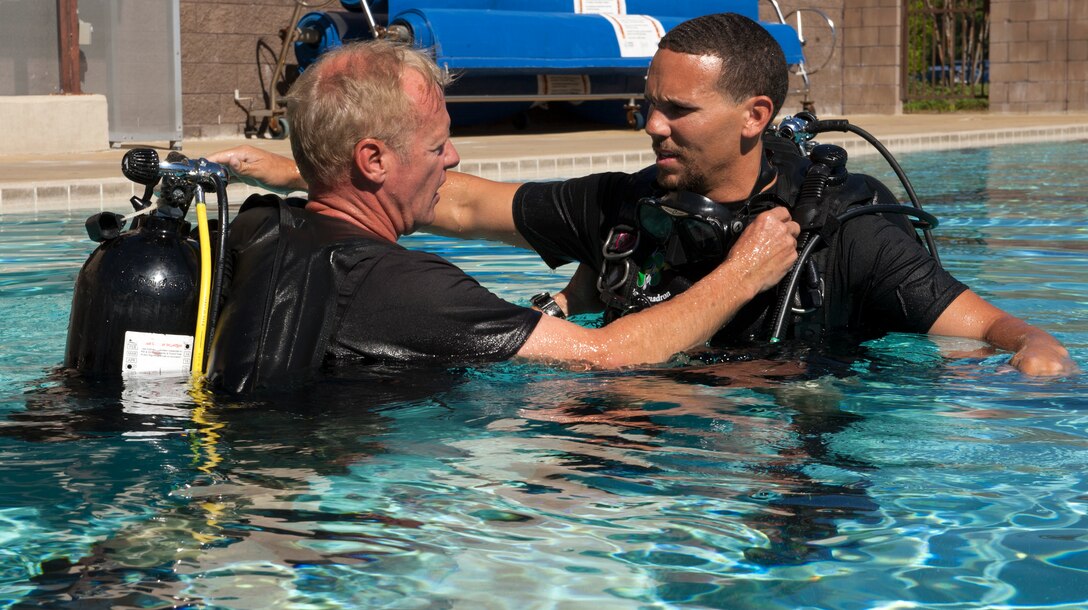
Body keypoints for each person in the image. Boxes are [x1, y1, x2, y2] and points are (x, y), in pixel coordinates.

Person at [210, 13, 1077, 378]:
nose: (652, 126)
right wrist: (307, 171)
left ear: (756, 115)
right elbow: (465, 204)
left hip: (784, 450)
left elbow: (1001, 329)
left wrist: (1034, 355)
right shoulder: (621, 205)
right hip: (629, 427)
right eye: (646, 104)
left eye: (677, 110)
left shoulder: (840, 230)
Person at [204, 38, 802, 393]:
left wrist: (294, 173)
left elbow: (459, 202)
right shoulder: (404, 288)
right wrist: (744, 272)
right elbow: (610, 356)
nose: (455, 157)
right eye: (439, 146)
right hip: (303, 516)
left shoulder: (255, 227)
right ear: (372, 160)